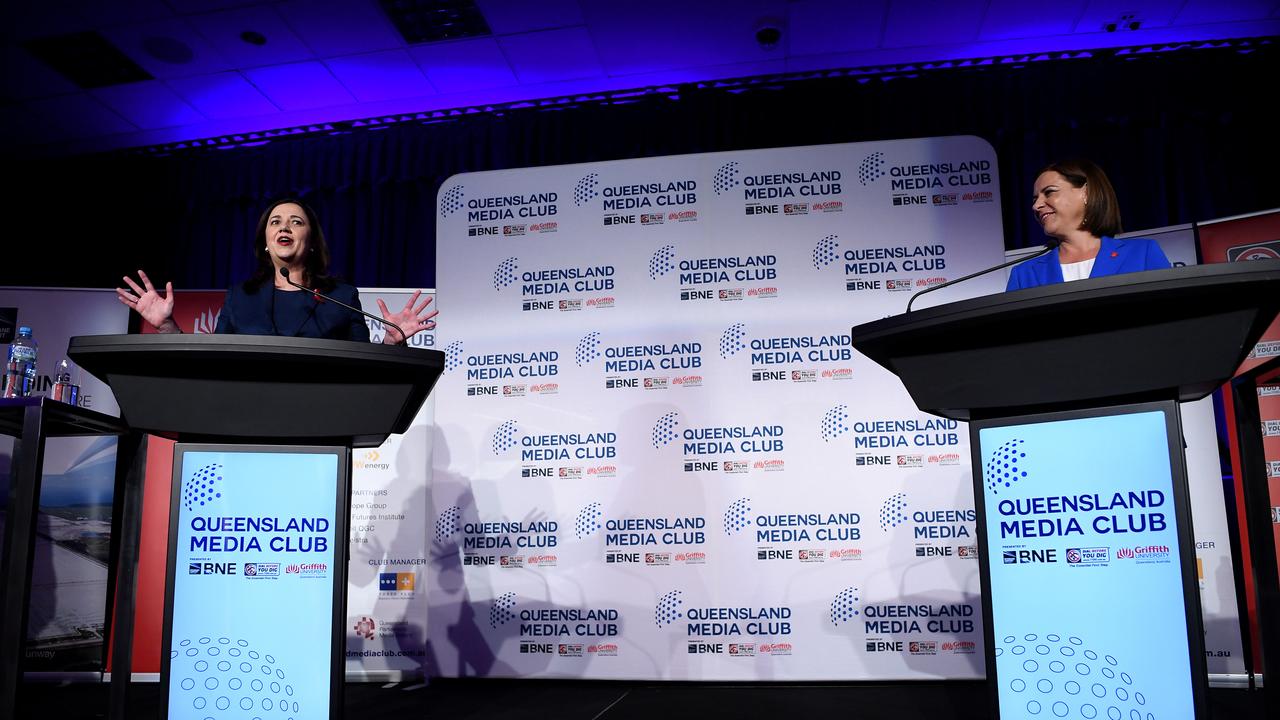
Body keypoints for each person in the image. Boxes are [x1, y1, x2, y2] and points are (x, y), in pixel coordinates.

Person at [116, 198, 436, 343]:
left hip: (322, 424)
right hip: (245, 422)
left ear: (311, 242)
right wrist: (167, 325)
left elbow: (365, 369)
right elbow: (212, 364)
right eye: (275, 222)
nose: (285, 227)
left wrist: (391, 342)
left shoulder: (342, 296)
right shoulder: (241, 297)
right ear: (267, 243)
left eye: (296, 222)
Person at [1006, 159, 1171, 291]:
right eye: (1035, 199)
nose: (1036, 206)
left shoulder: (1142, 254)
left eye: (1049, 192)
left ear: (1086, 192)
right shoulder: (1023, 275)